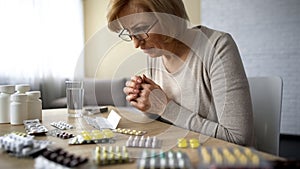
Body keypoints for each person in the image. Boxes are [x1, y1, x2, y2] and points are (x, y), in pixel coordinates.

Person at [106, 0, 253, 146]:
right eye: (129, 33)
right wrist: (147, 104)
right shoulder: (155, 54)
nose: (136, 44)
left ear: (170, 17)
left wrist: (165, 108)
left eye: (141, 29)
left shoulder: (217, 47)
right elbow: (168, 122)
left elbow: (237, 138)